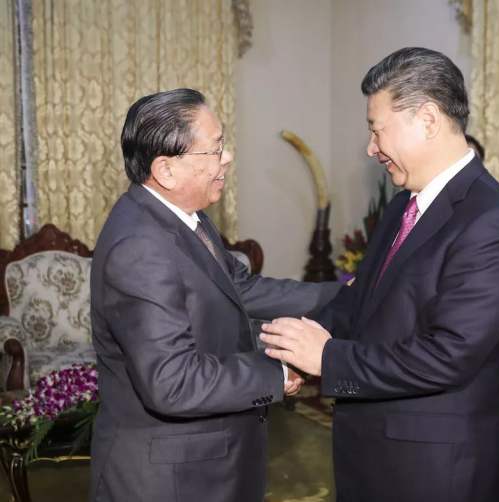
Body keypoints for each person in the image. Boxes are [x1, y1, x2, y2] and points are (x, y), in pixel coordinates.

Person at [261, 47, 499, 502]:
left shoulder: (491, 223)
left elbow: (447, 355)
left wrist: (328, 359)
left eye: (377, 129)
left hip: (435, 471)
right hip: (374, 452)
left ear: (427, 120)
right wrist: (296, 349)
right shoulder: (404, 205)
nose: (371, 148)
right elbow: (361, 299)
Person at [89, 88, 340, 502]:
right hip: (170, 479)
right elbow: (172, 382)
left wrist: (340, 295)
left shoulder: (184, 216)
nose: (227, 158)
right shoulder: (140, 247)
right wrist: (277, 374)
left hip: (209, 460)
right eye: (215, 149)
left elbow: (239, 287)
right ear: (166, 170)